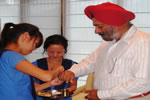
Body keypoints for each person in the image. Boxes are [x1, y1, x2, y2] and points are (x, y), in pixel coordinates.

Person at [60, 2, 150, 100]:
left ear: (116, 24)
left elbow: (142, 83)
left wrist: (102, 94)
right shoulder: (108, 42)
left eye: (100, 26)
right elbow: (90, 63)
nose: (96, 31)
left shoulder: (142, 42)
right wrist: (72, 72)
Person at [0, 22, 64, 100]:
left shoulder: (5, 55)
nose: (33, 49)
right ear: (26, 36)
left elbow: (32, 88)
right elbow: (46, 76)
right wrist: (59, 68)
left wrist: (50, 83)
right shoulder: (12, 56)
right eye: (35, 44)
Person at [32, 34, 78, 100]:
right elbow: (32, 87)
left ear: (65, 50)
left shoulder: (72, 65)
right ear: (46, 50)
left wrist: (69, 89)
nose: (55, 55)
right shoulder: (35, 65)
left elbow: (73, 85)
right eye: (51, 52)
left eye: (59, 52)